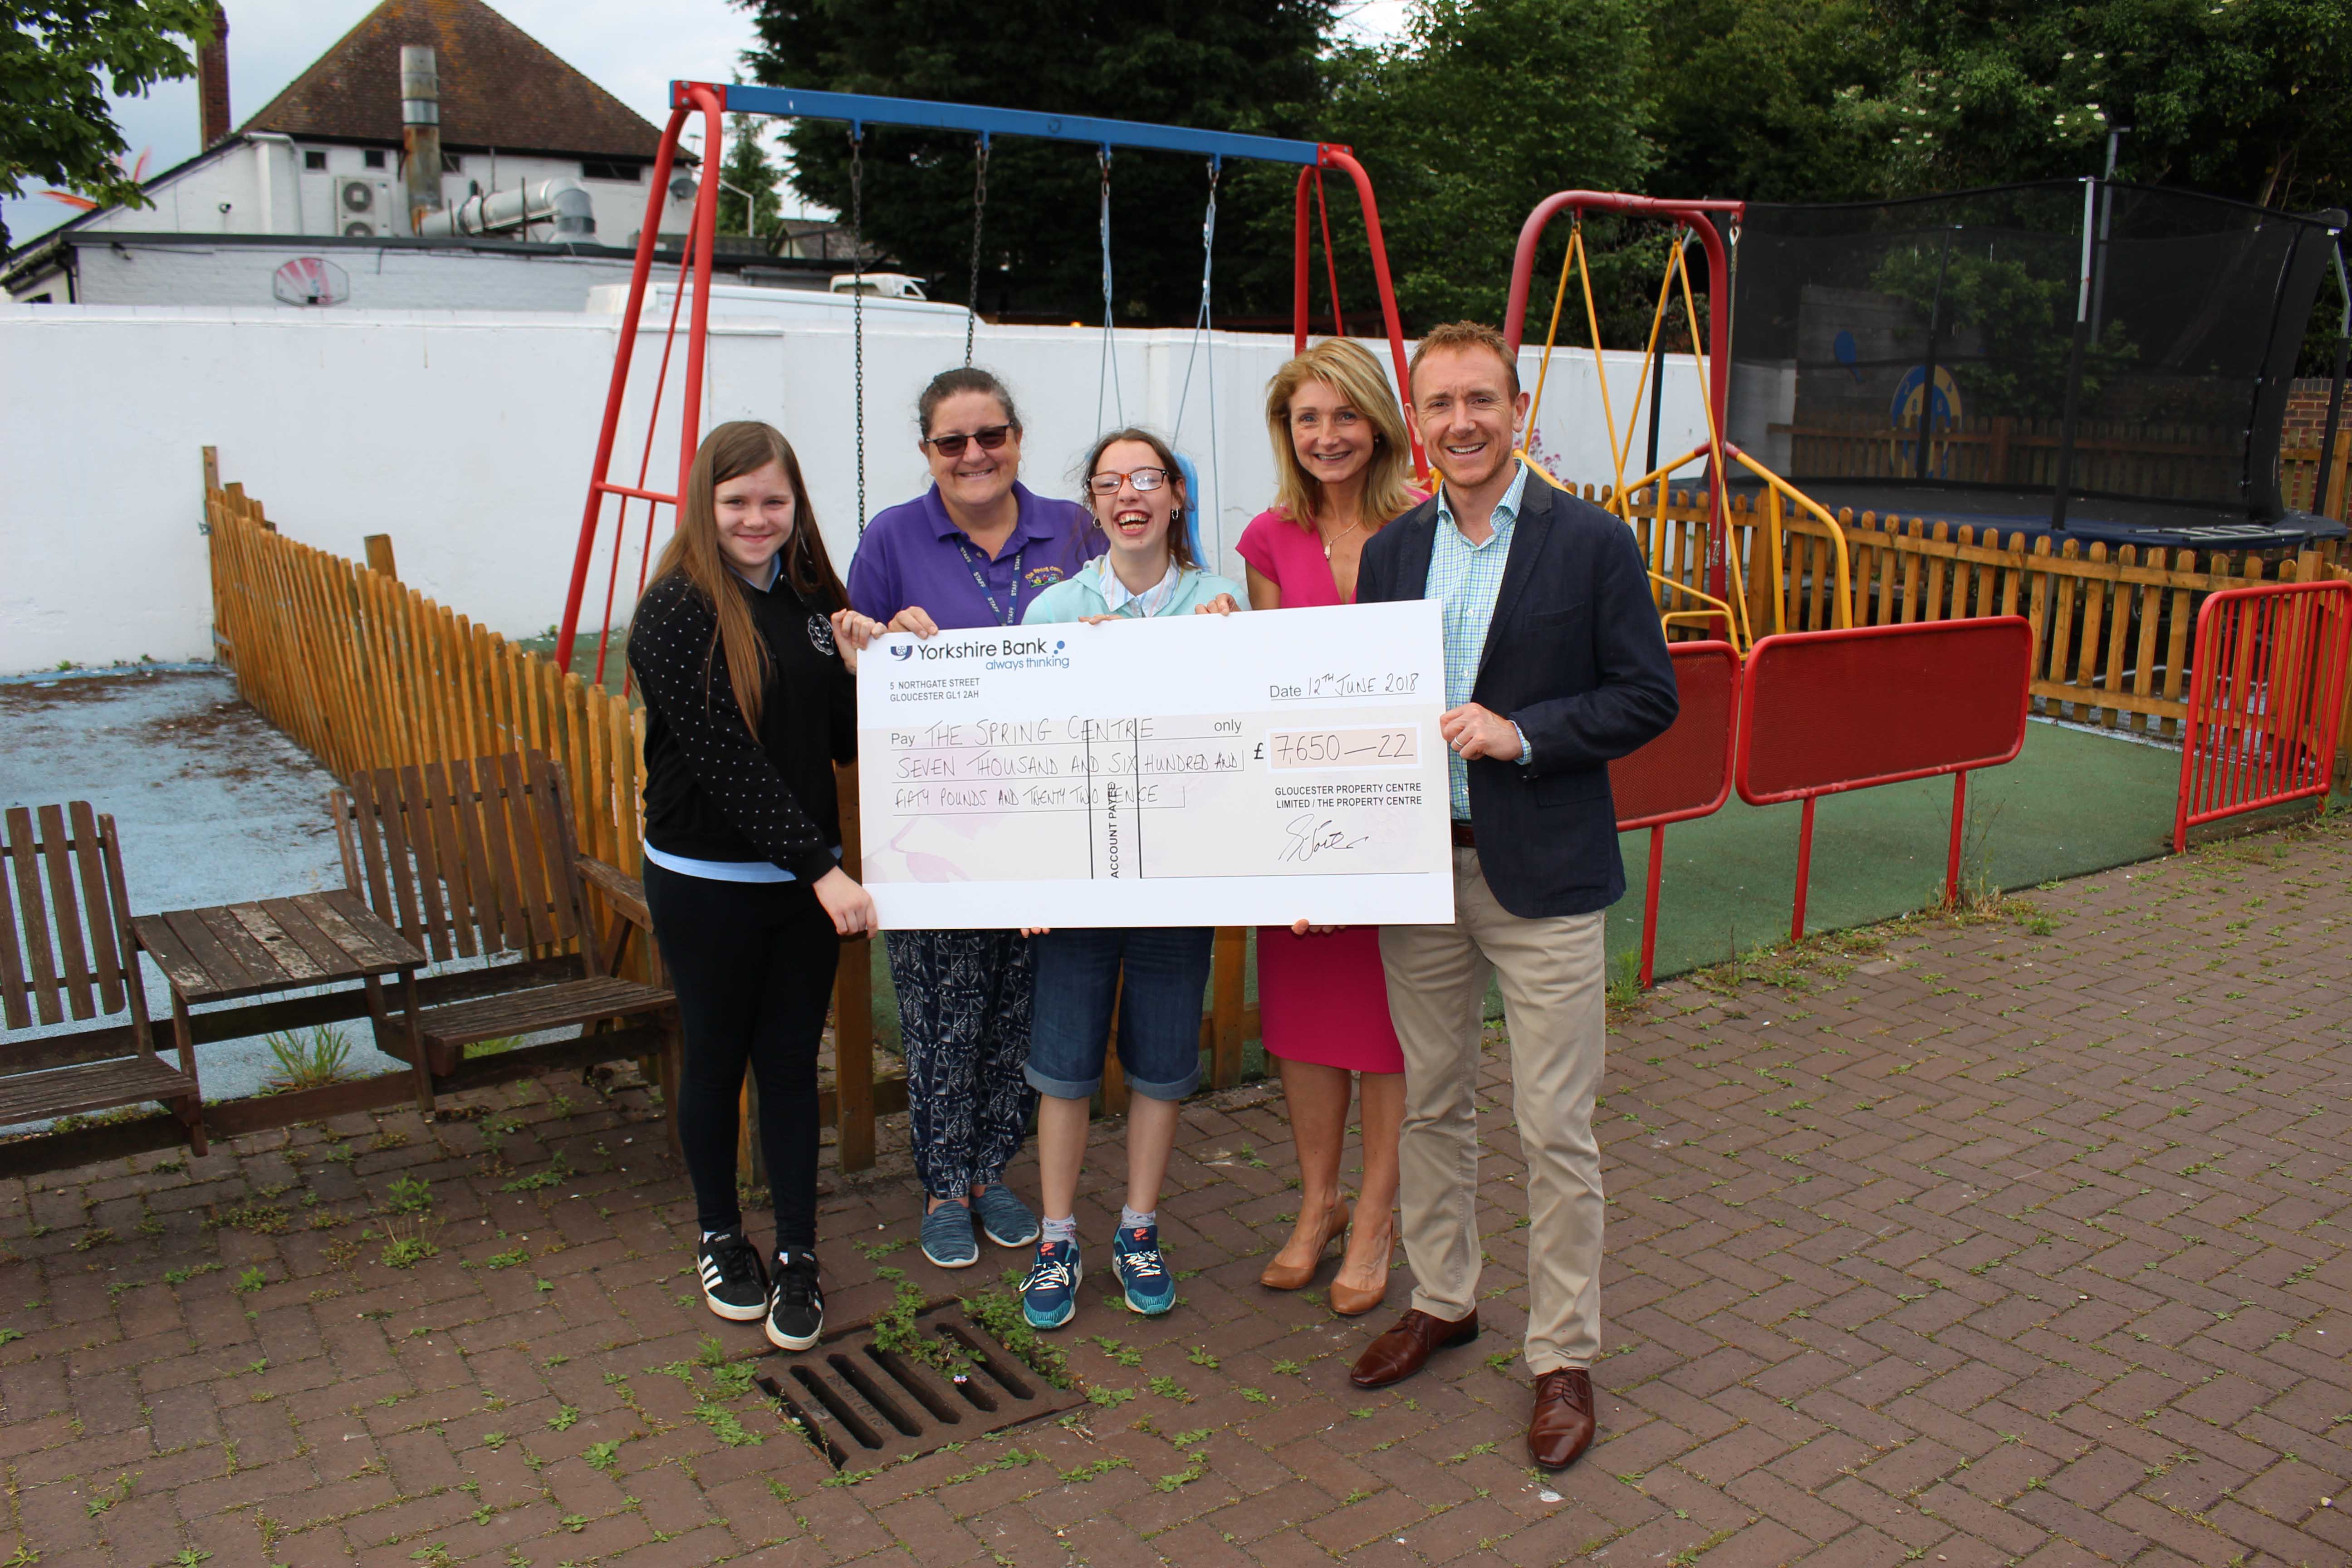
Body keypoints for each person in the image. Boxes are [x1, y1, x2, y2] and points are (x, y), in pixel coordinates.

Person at [1348, 323, 1677, 1473]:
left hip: (1543, 876)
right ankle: (1445, 1300)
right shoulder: (1392, 554)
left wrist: (1525, 733)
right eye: (1438, 406)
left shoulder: (1591, 543)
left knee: (1556, 1126)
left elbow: (1649, 696)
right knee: (1434, 1103)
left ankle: (1564, 1356)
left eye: (1479, 400)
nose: (1460, 424)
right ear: (1418, 419)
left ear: (1519, 406)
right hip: (1419, 866)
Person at [628, 421, 887, 1353]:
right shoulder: (674, 611)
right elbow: (727, 763)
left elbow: (845, 744)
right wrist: (825, 870)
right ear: (707, 505)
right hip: (707, 884)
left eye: (773, 500)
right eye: (737, 501)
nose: (756, 518)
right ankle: (718, 1235)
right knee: (717, 1057)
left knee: (788, 1067)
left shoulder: (815, 597)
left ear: (795, 505)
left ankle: (801, 1255)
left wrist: (869, 671)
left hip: (800, 890)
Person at [847, 368, 1101, 1270]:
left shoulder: (1074, 528)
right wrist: (877, 647)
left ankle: (993, 1168)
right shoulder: (892, 538)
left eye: (990, 436)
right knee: (942, 1014)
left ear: (1018, 438)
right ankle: (943, 1184)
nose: (974, 456)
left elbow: (1122, 624)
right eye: (952, 442)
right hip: (940, 829)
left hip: (1049, 820)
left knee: (1018, 1011)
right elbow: (854, 663)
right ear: (927, 453)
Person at [1013, 427, 1245, 1332]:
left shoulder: (1219, 602)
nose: (1129, 494)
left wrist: (1231, 656)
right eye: (1109, 482)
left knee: (1161, 1066)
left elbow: (1239, 752)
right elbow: (1024, 757)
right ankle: (1059, 1235)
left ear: (1177, 498)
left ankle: (1139, 1227)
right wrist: (1028, 881)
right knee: (1063, 1071)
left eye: (1147, 478)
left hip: (1176, 886)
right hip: (1077, 886)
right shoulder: (1055, 611)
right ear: (1094, 504)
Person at [1234, 338, 1424, 1314]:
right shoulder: (1271, 538)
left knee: (1389, 1032)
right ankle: (1319, 1205)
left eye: (1344, 415)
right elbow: (1268, 682)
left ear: (1378, 422)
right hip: (1304, 817)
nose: (1326, 436)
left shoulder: (1428, 524)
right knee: (1307, 1029)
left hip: (1398, 816)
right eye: (1307, 419)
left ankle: (1382, 1213)